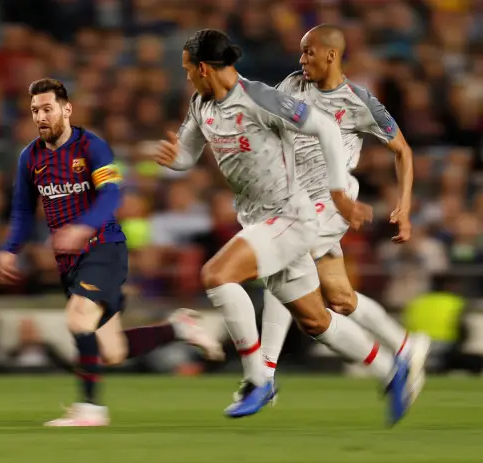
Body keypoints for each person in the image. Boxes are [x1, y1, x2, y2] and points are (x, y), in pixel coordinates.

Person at [153, 29, 412, 425]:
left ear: (204, 68)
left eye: (189, 70)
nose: (187, 76)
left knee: (217, 275)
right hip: (257, 218)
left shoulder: (258, 98)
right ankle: (391, 371)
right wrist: (175, 160)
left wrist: (340, 194)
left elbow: (325, 128)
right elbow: (188, 155)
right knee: (316, 321)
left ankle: (259, 378)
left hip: (290, 215)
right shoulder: (200, 104)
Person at [0, 78, 223, 427]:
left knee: (77, 318)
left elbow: (112, 195)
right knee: (110, 351)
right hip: (70, 262)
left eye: (48, 108)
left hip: (104, 248)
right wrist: (9, 250)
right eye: (35, 110)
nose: (41, 116)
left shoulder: (91, 146)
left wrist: (84, 227)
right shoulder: (30, 158)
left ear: (66, 109)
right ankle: (178, 329)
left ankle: (90, 410)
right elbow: (23, 212)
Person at [261, 24, 430, 401]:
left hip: (333, 200)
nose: (301, 59)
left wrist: (403, 208)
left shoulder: (359, 102)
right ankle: (405, 347)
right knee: (339, 297)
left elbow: (403, 151)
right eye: (301, 52)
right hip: (294, 200)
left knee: (282, 257)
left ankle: (264, 373)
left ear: (331, 55)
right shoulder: (291, 85)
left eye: (308, 52)